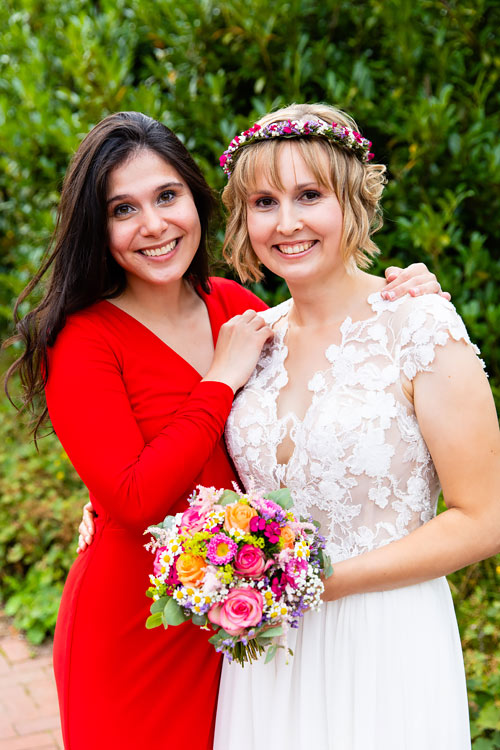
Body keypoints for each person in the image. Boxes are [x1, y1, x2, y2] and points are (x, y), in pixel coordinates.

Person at [5, 110, 441, 750]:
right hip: (133, 628)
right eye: (122, 209)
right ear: (98, 229)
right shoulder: (85, 341)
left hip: (244, 628)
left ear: (196, 199)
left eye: (166, 196)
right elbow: (132, 499)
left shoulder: (238, 308)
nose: (153, 225)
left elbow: (322, 396)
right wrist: (217, 382)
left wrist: (402, 292)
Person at [211, 103, 500, 750]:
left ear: (353, 200)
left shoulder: (418, 325)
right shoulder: (253, 342)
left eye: (309, 195)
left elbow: (486, 518)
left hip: (385, 645)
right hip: (266, 651)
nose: (286, 223)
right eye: (263, 201)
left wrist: (318, 581)